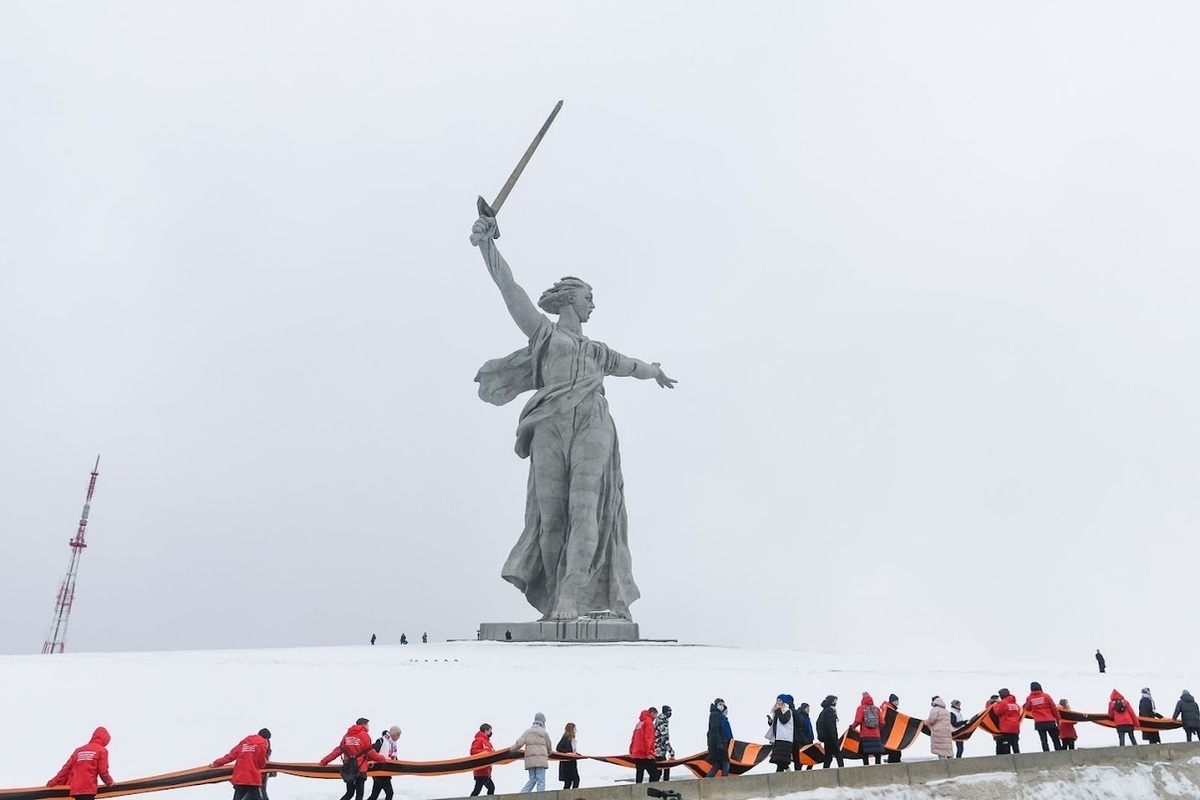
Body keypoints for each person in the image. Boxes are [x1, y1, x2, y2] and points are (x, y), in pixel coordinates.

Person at [471, 213, 677, 622]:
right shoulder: (545, 336)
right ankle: (552, 599)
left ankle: (571, 596)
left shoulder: (598, 351)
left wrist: (654, 371)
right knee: (552, 516)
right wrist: (487, 246)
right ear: (569, 300)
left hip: (593, 422)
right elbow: (511, 291)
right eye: (587, 297)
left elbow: (632, 366)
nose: (592, 304)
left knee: (587, 509)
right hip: (551, 421)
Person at [319, 718, 387, 800]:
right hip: (360, 770)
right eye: (368, 725)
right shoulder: (365, 735)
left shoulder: (347, 735)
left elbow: (338, 751)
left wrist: (324, 761)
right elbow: (370, 753)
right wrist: (383, 759)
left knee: (349, 793)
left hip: (348, 770)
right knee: (359, 795)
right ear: (364, 725)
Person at [47, 727, 113, 800]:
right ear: (106, 740)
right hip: (89, 789)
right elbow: (103, 771)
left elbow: (66, 769)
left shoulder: (79, 750)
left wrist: (52, 782)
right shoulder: (102, 751)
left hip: (75, 790)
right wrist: (110, 782)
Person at [211, 729, 271, 800]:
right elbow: (262, 764)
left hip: (239, 778)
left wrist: (216, 763)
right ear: (266, 738)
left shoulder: (244, 743)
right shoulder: (262, 745)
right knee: (259, 798)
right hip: (253, 779)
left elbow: (230, 756)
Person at [511, 712, 553, 792]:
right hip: (541, 760)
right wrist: (549, 753)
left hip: (530, 760)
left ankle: (522, 794)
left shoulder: (528, 732)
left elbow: (519, 743)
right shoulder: (544, 733)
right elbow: (549, 746)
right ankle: (540, 797)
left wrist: (511, 749)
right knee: (541, 780)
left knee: (532, 779)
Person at [1024, 682, 1062, 751]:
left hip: (1039, 722)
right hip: (1049, 720)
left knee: (1044, 740)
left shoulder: (1029, 698)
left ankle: (1046, 753)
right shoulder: (1046, 696)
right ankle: (1059, 751)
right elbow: (1053, 708)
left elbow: (1027, 708)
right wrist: (1058, 719)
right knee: (1055, 738)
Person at [366, 726, 401, 800]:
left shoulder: (392, 744)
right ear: (393, 733)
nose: (399, 737)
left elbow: (393, 758)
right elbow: (372, 753)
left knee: (374, 795)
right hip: (380, 771)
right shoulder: (382, 740)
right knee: (389, 793)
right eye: (398, 734)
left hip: (385, 772)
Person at [852, 692, 885, 765]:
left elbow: (858, 720)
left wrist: (852, 727)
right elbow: (882, 722)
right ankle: (878, 767)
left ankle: (866, 768)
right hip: (876, 735)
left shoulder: (861, 708)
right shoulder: (876, 709)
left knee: (865, 753)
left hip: (865, 735)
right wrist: (878, 729)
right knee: (877, 753)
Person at [765, 694, 795, 772]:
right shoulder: (777, 712)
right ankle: (787, 771)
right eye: (777, 700)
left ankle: (787, 771)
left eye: (779, 701)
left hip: (785, 739)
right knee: (779, 760)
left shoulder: (787, 711)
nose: (777, 702)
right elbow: (777, 725)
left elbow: (784, 720)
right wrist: (771, 722)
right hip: (777, 738)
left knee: (781, 760)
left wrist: (778, 710)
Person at [630, 708, 659, 783]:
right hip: (644, 754)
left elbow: (634, 738)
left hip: (636, 753)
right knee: (655, 774)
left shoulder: (639, 724)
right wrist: (649, 753)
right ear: (652, 713)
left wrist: (631, 750)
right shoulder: (648, 723)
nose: (656, 717)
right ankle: (652, 791)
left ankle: (637, 791)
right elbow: (648, 739)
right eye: (656, 715)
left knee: (639, 774)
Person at [704, 698, 732, 777]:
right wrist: (719, 743)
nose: (722, 706)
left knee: (717, 765)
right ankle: (724, 783)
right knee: (725, 764)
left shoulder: (718, 715)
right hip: (719, 745)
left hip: (717, 744)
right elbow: (715, 730)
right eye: (720, 704)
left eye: (723, 705)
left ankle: (706, 782)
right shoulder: (715, 715)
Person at [816, 695, 843, 769]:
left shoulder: (824, 711)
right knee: (838, 754)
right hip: (831, 737)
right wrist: (834, 737)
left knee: (828, 757)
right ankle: (842, 770)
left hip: (826, 738)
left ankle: (825, 771)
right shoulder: (830, 711)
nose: (836, 702)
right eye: (835, 701)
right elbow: (831, 726)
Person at [992, 689, 1022, 755]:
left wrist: (995, 705)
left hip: (1006, 728)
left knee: (1006, 747)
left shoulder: (1003, 703)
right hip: (1015, 727)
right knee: (1015, 745)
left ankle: (1008, 762)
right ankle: (1018, 760)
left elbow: (997, 712)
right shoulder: (1015, 704)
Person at [469, 724, 496, 796]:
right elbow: (473, 751)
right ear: (485, 730)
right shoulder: (479, 740)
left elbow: (493, 753)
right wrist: (484, 752)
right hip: (480, 770)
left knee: (488, 788)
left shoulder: (489, 743)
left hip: (487, 771)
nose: (491, 732)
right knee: (487, 788)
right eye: (490, 731)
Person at [654, 704, 675, 781]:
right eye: (669, 711)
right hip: (659, 750)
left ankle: (660, 784)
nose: (670, 713)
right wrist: (671, 752)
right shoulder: (663, 722)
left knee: (662, 769)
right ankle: (664, 785)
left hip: (658, 749)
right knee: (662, 769)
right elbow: (664, 738)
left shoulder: (659, 720)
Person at [556, 723, 580, 790]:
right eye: (574, 728)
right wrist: (569, 753)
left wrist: (577, 754)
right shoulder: (565, 738)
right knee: (570, 781)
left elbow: (573, 750)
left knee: (574, 780)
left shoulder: (572, 739)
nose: (575, 730)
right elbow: (558, 748)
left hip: (572, 762)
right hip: (567, 763)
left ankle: (572, 795)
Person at [793, 702, 815, 771]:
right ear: (803, 709)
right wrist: (806, 741)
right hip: (802, 741)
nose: (809, 710)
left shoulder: (807, 717)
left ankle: (807, 771)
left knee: (811, 758)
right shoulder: (801, 717)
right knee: (802, 758)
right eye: (807, 708)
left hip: (809, 740)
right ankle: (799, 772)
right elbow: (801, 731)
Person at [881, 694, 901, 763]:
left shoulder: (887, 709)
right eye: (896, 701)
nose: (897, 702)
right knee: (895, 751)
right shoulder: (889, 710)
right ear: (892, 701)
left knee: (893, 751)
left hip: (889, 734)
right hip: (891, 734)